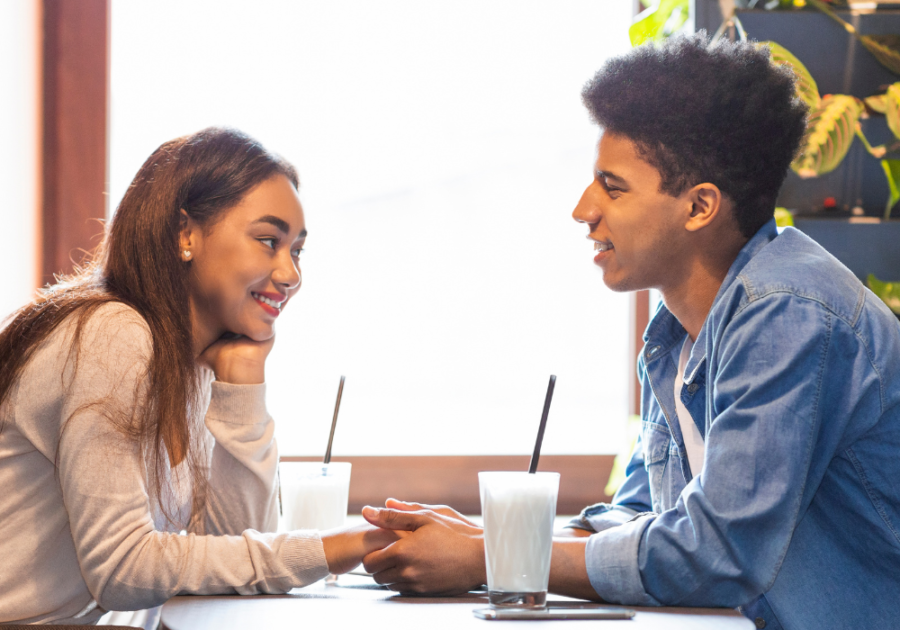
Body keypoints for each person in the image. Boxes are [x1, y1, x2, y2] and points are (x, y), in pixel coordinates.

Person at [360, 34, 900, 629]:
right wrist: (483, 534)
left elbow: (718, 552)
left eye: (612, 187)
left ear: (699, 207)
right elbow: (642, 514)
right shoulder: (676, 336)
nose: (583, 209)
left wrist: (494, 557)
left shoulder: (789, 313)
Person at [0, 127, 397, 626]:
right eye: (268, 241)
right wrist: (343, 546)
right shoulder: (113, 334)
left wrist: (242, 389)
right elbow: (121, 570)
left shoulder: (193, 358)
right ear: (186, 234)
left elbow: (233, 552)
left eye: (296, 250)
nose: (291, 274)